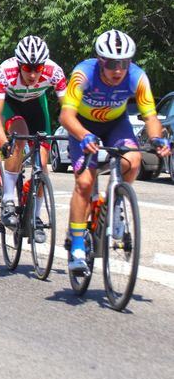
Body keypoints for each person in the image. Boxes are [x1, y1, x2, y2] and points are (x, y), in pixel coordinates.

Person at [60, 29, 171, 273]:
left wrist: (157, 139)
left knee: (133, 161)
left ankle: (116, 204)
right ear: (100, 61)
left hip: (115, 124)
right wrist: (83, 135)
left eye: (123, 63)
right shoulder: (83, 74)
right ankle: (77, 244)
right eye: (111, 64)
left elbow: (150, 116)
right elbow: (66, 115)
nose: (118, 70)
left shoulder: (137, 77)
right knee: (85, 184)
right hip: (83, 125)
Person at [0, 35, 67, 242]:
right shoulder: (5, 72)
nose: (33, 74)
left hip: (35, 104)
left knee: (42, 165)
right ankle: (7, 201)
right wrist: (3, 142)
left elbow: (68, 109)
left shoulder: (54, 71)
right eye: (27, 68)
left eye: (37, 68)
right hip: (12, 104)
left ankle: (35, 216)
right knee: (20, 136)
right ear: (19, 64)